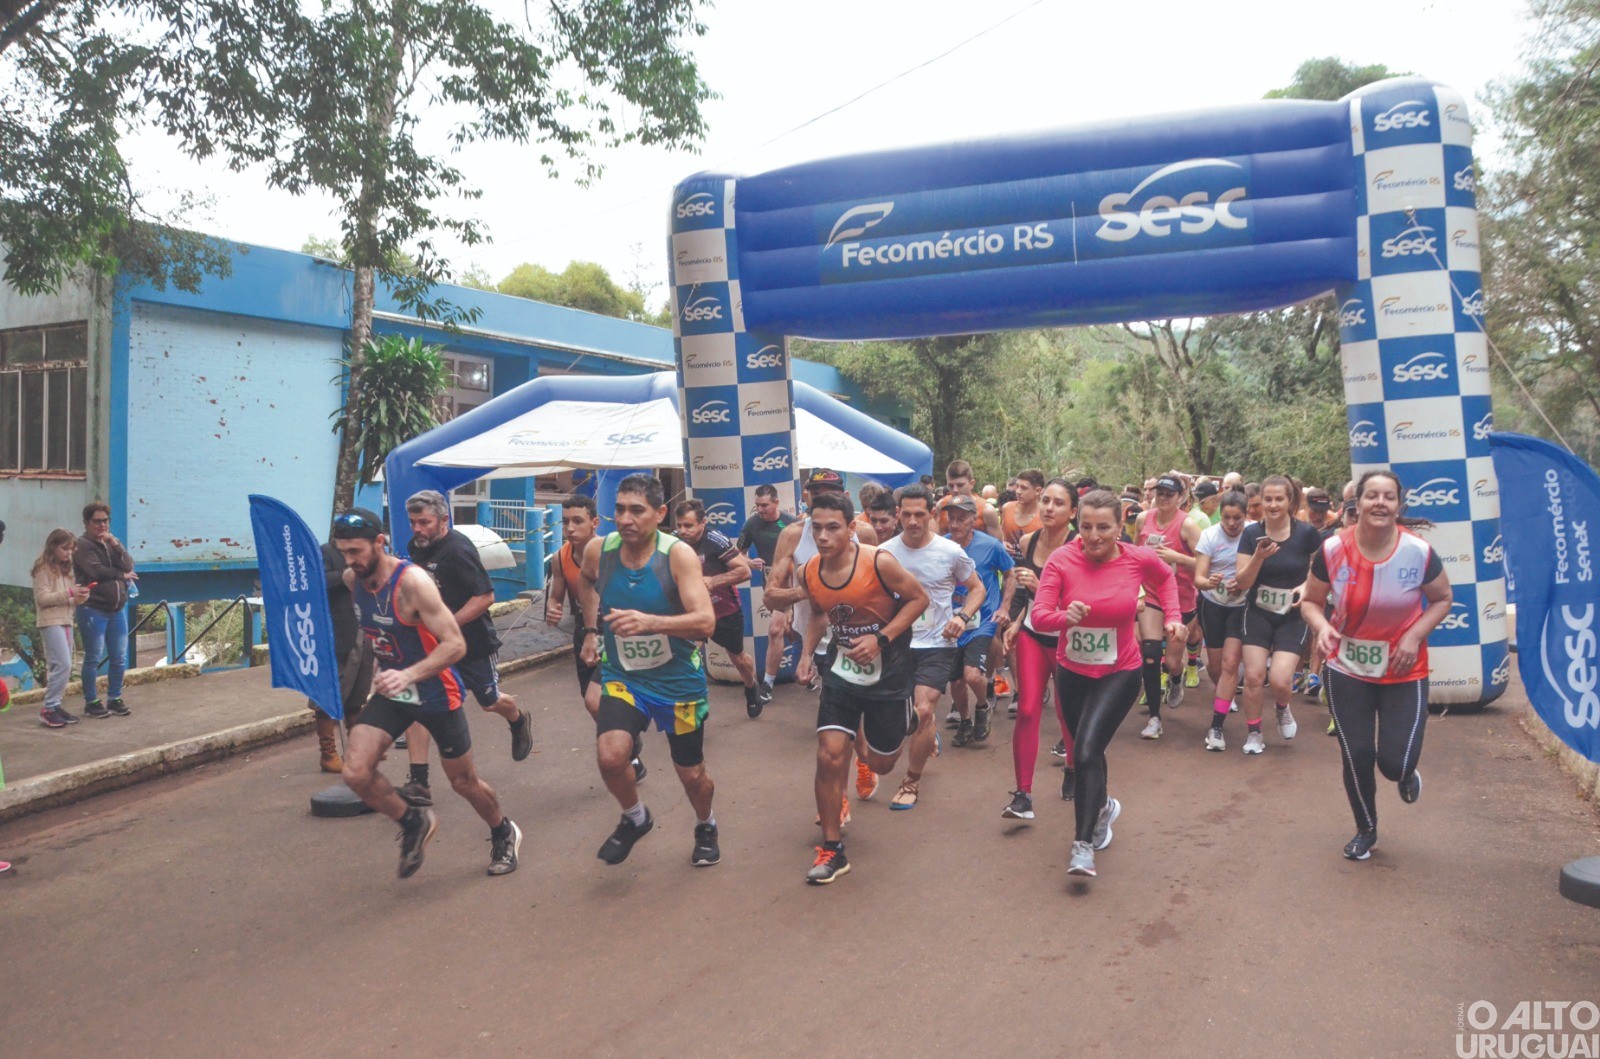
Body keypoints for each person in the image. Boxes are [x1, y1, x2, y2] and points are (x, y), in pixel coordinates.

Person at [333, 508, 521, 879]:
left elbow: (454, 645)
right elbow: (380, 634)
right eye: (344, 552)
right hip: (395, 691)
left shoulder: (413, 583)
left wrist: (408, 674)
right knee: (355, 772)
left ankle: (503, 830)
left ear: (379, 542)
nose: (350, 561)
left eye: (356, 551)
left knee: (463, 782)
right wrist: (383, 671)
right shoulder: (353, 579)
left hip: (436, 689)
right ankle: (413, 821)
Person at [1301, 470, 1452, 861]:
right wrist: (1321, 628)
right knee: (1357, 753)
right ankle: (1366, 829)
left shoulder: (1418, 552)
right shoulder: (1333, 549)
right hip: (1346, 667)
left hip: (1403, 669)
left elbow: (1442, 599)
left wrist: (1413, 635)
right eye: (1372, 496)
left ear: (1399, 505)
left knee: (1393, 761)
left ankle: (1404, 774)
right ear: (1358, 504)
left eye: (1389, 497)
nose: (1380, 503)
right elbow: (1310, 601)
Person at [1030, 490, 1182, 878]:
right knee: (1090, 750)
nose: (1094, 535)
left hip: (1120, 672)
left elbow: (1167, 578)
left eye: (1103, 527)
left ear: (1120, 526)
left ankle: (1082, 847)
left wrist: (1173, 618)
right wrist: (1066, 617)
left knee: (1083, 752)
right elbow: (1041, 614)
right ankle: (1103, 808)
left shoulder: (1137, 558)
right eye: (1086, 526)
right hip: (1072, 672)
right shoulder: (1062, 559)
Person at [577, 474, 721, 868]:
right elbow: (585, 582)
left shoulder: (677, 556)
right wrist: (591, 630)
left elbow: (705, 622)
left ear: (659, 514)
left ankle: (706, 824)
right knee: (611, 756)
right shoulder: (598, 550)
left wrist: (650, 622)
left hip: (677, 682)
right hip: (625, 676)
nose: (626, 519)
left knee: (691, 774)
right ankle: (635, 817)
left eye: (637, 510)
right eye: (620, 509)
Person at [793, 492, 929, 883]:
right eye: (816, 527)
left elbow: (918, 600)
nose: (822, 536)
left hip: (890, 674)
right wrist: (806, 654)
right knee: (829, 754)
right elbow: (820, 613)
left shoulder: (879, 561)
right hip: (842, 672)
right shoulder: (811, 571)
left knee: (882, 764)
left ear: (851, 529)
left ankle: (907, 718)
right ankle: (832, 850)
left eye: (832, 527)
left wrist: (881, 639)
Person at [394, 491, 532, 808]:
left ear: (444, 520)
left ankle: (518, 718)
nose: (417, 529)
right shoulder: (418, 548)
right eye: (413, 522)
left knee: (489, 701)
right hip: (436, 646)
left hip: (473, 644)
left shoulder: (458, 551)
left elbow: (485, 597)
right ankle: (419, 781)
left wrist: (449, 626)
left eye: (424, 522)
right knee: (420, 701)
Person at [879, 483, 985, 811]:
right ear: (898, 515)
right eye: (906, 514)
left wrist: (963, 616)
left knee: (924, 709)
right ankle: (927, 730)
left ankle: (911, 781)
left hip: (938, 642)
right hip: (896, 643)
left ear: (932, 515)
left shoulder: (950, 552)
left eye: (919, 514)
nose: (912, 521)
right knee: (897, 716)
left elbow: (977, 588)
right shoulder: (884, 553)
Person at [549, 496, 646, 779]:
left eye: (577, 521)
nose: (569, 528)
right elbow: (556, 597)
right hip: (584, 636)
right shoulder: (560, 558)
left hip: (614, 632)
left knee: (595, 700)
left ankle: (624, 749)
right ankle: (630, 747)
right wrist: (553, 610)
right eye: (565, 521)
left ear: (594, 523)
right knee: (592, 701)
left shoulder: (614, 552)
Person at [999, 478, 1078, 817]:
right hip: (1033, 633)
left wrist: (1043, 585)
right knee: (1028, 710)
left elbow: (1081, 601)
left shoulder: (1080, 548)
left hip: (1068, 638)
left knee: (1067, 711)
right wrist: (1016, 623)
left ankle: (1073, 768)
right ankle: (1023, 794)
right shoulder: (1029, 541)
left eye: (1058, 503)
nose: (1048, 507)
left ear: (1073, 512)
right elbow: (1025, 593)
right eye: (1046, 500)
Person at [1233, 475, 1320, 754]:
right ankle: (1255, 732)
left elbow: (1320, 571)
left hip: (1292, 615)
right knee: (1254, 676)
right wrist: (1259, 556)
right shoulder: (1250, 534)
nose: (1272, 505)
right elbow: (1242, 582)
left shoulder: (1306, 533)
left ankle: (1282, 707)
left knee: (1282, 680)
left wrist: (1307, 586)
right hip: (1257, 611)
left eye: (1278, 499)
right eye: (1267, 499)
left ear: (1290, 501)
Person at [674, 498, 761, 718]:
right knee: (688, 655)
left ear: (703, 522)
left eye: (688, 525)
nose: (682, 531)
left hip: (724, 611)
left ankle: (751, 687)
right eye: (679, 525)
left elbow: (744, 572)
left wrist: (711, 582)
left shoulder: (715, 541)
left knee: (738, 658)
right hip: (693, 612)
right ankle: (693, 702)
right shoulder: (673, 543)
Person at [1132, 475, 1201, 737]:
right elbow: (1136, 552)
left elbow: (1207, 564)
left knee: (1172, 660)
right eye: (1159, 493)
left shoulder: (1188, 526)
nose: (1162, 498)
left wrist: (1178, 558)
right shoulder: (1143, 519)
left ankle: (1175, 677)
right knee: (1150, 653)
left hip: (1181, 599)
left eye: (1169, 494)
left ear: (1181, 498)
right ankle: (1154, 718)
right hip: (1151, 595)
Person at [944, 495, 1015, 747]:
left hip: (982, 620)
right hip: (951, 622)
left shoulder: (991, 545)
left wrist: (1005, 607)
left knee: (972, 675)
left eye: (961, 518)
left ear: (973, 520)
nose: (954, 524)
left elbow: (1010, 575)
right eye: (951, 518)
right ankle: (964, 721)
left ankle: (982, 707)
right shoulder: (941, 546)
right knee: (956, 681)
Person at [1193, 492, 1250, 751]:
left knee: (1230, 664)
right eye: (1226, 517)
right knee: (1216, 667)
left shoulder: (1252, 534)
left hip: (1241, 606)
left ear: (1245, 516)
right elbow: (1199, 578)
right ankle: (1223, 694)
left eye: (1237, 518)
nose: (1231, 523)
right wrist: (1211, 582)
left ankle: (1216, 726)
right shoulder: (1210, 536)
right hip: (1212, 603)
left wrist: (1242, 584)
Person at [311, 540, 373, 771]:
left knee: (357, 695)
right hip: (334, 634)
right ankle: (328, 755)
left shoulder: (368, 552)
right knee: (328, 696)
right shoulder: (326, 552)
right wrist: (346, 574)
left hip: (363, 629)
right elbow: (317, 581)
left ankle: (357, 751)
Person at [73, 502, 136, 718]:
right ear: (86, 523)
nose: (102, 525)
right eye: (97, 521)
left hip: (117, 609)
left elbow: (128, 565)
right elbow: (96, 571)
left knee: (119, 656)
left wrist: (116, 544)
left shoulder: (110, 543)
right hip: (93, 609)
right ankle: (91, 701)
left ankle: (114, 698)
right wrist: (120, 576)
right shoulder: (82, 545)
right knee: (94, 656)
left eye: (105, 521)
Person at [736, 484, 795, 700]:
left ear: (776, 503)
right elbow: (737, 554)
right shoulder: (752, 523)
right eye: (757, 505)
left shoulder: (791, 523)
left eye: (764, 505)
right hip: (774, 587)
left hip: (798, 585)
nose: (760, 509)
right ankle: (768, 685)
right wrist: (750, 562)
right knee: (777, 629)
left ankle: (813, 663)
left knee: (788, 630)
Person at [32, 528, 90, 728]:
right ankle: (48, 707)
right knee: (62, 664)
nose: (68, 553)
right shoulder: (43, 569)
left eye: (71, 550)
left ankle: (55, 705)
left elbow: (68, 598)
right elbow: (42, 599)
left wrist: (79, 597)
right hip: (50, 621)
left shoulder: (66, 571)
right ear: (53, 547)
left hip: (66, 619)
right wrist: (69, 593)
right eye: (64, 549)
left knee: (65, 666)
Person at [937, 460, 1002, 537]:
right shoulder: (942, 505)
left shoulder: (986, 510)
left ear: (972, 483)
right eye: (951, 486)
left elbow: (996, 545)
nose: (955, 490)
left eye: (960, 485)